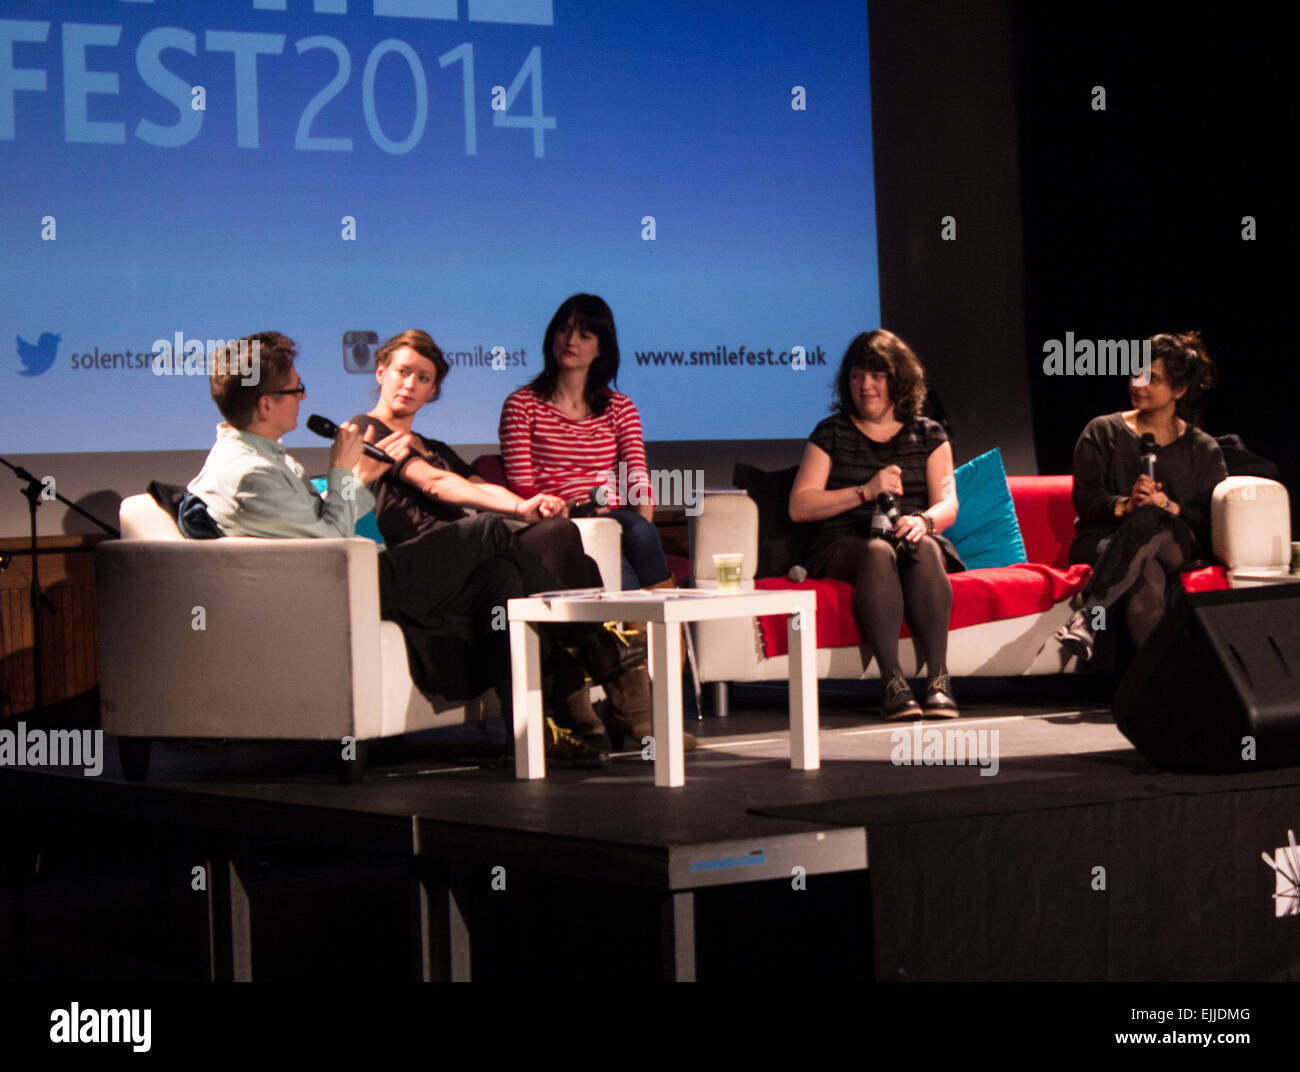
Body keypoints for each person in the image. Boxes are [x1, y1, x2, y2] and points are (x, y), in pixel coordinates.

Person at [185, 330, 605, 766]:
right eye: (295, 389)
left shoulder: (268, 457)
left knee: (500, 577)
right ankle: (593, 640)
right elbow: (333, 546)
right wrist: (345, 472)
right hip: (346, 590)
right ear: (266, 404)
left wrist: (353, 477)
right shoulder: (250, 475)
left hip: (357, 576)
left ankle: (528, 734)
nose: (303, 397)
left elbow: (328, 534)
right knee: (486, 532)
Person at [349, 329, 674, 751]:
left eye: (423, 378)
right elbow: (433, 483)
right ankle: (608, 663)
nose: (410, 385)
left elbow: (480, 486)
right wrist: (518, 512)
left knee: (551, 537)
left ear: (433, 391)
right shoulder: (367, 431)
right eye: (403, 372)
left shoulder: (433, 445)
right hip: (423, 567)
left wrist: (529, 505)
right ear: (381, 372)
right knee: (497, 532)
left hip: (470, 563)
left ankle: (558, 718)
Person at [789, 329, 962, 719]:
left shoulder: (929, 433)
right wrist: (864, 491)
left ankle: (939, 679)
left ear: (897, 380)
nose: (864, 386)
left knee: (925, 547)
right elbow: (800, 506)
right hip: (845, 542)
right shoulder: (831, 432)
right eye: (856, 376)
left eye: (876, 375)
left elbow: (948, 504)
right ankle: (893, 683)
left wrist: (924, 521)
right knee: (877, 550)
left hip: (911, 535)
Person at [1056, 331, 1227, 661]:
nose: (1138, 383)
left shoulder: (1203, 449)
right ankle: (1160, 691)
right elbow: (1086, 500)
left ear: (1179, 390)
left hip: (1178, 545)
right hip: (1105, 539)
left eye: (1152, 378)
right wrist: (1126, 504)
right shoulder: (1102, 430)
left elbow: (1208, 520)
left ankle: (1090, 616)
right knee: (1144, 577)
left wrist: (1163, 505)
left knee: (1152, 518)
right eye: (1135, 372)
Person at [498, 294, 673, 592]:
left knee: (635, 531)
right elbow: (521, 483)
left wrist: (644, 520)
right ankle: (670, 627)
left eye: (584, 334)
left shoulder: (619, 407)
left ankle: (657, 625)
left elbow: (636, 476)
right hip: (555, 517)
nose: (570, 341)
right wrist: (560, 508)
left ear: (600, 349)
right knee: (626, 567)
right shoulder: (522, 404)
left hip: (612, 518)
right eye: (563, 330)